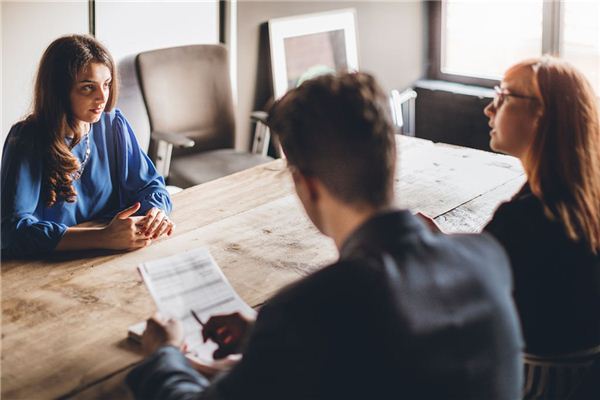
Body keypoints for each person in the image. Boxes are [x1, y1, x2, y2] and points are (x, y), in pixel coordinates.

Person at [126, 72, 523, 399]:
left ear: (306, 185)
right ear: (389, 157)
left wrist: (163, 355)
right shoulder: (486, 258)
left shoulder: (308, 311)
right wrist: (267, 341)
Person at [482, 57, 600, 399]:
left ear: (542, 116)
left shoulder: (521, 223)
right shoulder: (580, 201)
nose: (490, 109)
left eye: (504, 97)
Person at [1, 34, 174, 258]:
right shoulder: (26, 140)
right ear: (59, 91)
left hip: (110, 255)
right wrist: (103, 237)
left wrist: (156, 213)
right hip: (48, 265)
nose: (102, 97)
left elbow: (150, 185)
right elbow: (12, 231)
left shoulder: (112, 124)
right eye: (87, 87)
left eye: (107, 84)